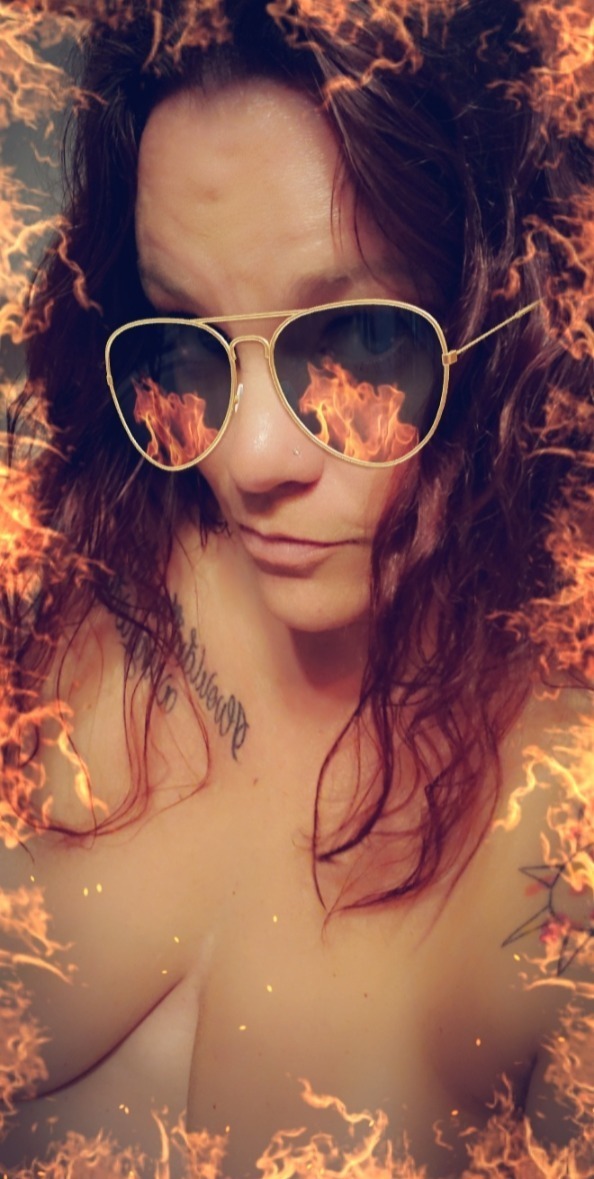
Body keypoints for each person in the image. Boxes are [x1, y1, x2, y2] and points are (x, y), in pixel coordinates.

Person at [1, 0, 593, 1174]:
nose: (248, 458)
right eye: (185, 335)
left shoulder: (562, 827)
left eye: (359, 339)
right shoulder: (76, 575)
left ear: (520, 319)